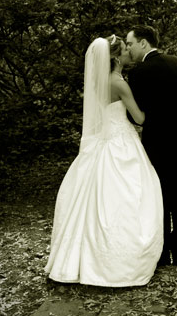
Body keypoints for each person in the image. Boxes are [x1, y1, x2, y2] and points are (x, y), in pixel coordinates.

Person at [45, 35, 163, 287]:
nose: (128, 53)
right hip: (121, 142)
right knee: (130, 196)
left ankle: (82, 260)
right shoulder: (119, 83)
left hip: (101, 142)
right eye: (124, 50)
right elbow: (140, 118)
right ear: (116, 57)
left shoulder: (97, 82)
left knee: (91, 199)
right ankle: (119, 264)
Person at [126, 25, 177, 266]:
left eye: (130, 43)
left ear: (143, 43)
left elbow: (136, 115)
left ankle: (161, 253)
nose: (128, 48)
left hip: (158, 142)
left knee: (159, 196)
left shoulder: (138, 73)